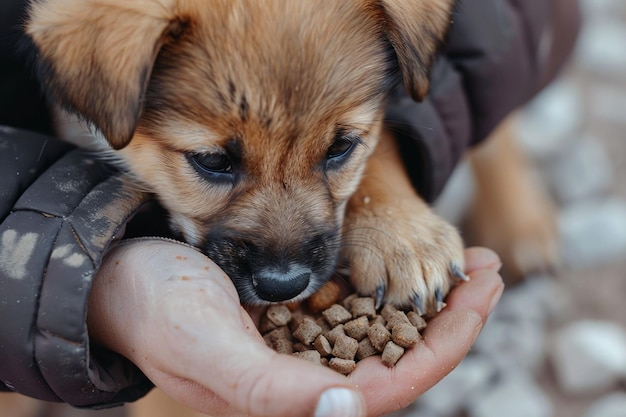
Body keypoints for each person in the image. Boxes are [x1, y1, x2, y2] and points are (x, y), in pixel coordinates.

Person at [0, 0, 579, 416]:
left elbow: (498, 36)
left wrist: (385, 191)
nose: (287, 269)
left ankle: (501, 157)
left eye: (339, 147)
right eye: (215, 162)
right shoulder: (111, 42)